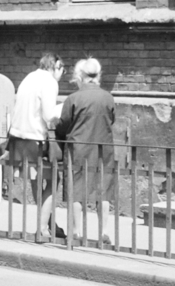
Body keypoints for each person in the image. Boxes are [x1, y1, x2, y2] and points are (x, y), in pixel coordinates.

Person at [56, 57, 116, 246]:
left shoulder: (74, 98)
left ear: (80, 76)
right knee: (103, 189)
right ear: (99, 75)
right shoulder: (108, 97)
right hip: (103, 148)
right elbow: (111, 119)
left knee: (77, 189)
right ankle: (103, 232)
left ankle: (76, 232)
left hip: (78, 149)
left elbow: (64, 123)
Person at [8, 53, 64, 240]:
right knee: (54, 179)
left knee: (36, 178)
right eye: (61, 69)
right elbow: (49, 116)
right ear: (55, 66)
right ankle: (42, 227)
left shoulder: (29, 77)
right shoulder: (49, 82)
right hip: (35, 140)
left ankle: (47, 222)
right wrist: (63, 108)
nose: (62, 74)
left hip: (18, 137)